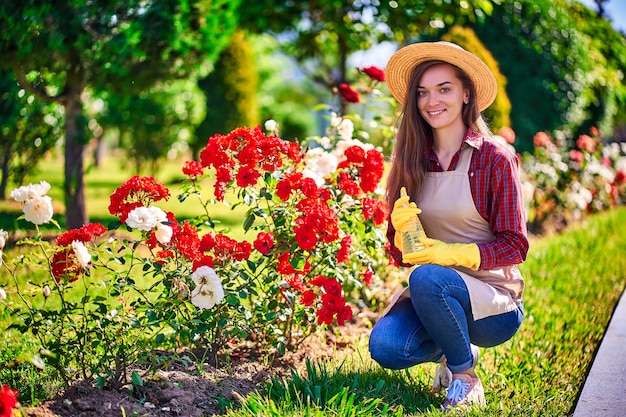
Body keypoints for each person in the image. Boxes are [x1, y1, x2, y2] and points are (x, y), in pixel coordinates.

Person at [368, 41, 528, 411]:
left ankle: (464, 375)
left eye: (444, 89)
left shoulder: (493, 158)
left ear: (466, 94)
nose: (431, 101)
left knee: (427, 277)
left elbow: (515, 245)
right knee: (387, 346)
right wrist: (400, 233)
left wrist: (452, 253)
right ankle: (452, 338)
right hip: (433, 292)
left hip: (493, 302)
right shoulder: (411, 158)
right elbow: (402, 256)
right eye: (422, 92)